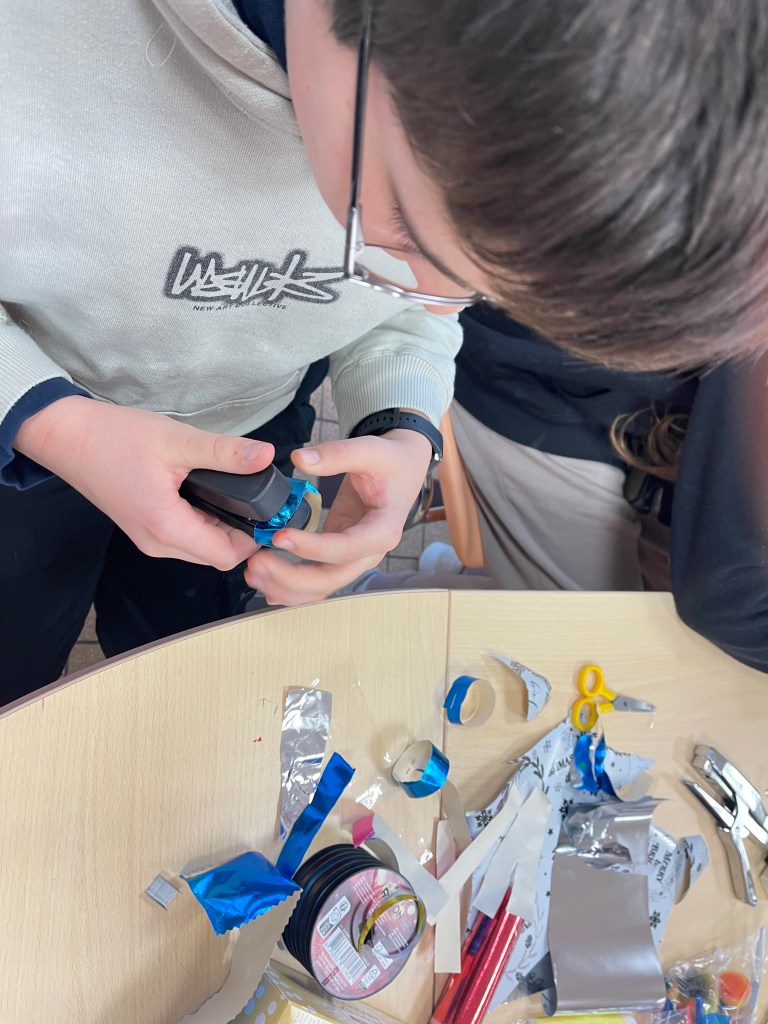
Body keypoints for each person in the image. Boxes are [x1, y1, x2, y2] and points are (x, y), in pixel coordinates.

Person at [3, 0, 768, 697]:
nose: (428, 291)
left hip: (253, 431)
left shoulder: (450, 153)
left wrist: (401, 425)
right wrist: (57, 425)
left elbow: (415, 304)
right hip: (24, 458)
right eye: (401, 231)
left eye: (481, 291)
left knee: (184, 664)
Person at [357, 306, 768, 674]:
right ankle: (354, 599)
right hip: (541, 377)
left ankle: (476, 573)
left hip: (642, 408)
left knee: (642, 616)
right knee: (591, 636)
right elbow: (723, 600)